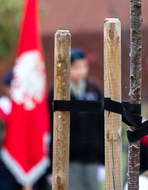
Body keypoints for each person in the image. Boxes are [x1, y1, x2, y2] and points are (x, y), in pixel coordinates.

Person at [50, 47, 104, 190]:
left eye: (84, 66)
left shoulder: (94, 90)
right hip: (69, 157)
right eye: (76, 67)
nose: (81, 70)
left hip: (92, 156)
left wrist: (103, 159)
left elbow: (101, 124)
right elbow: (51, 127)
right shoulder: (58, 92)